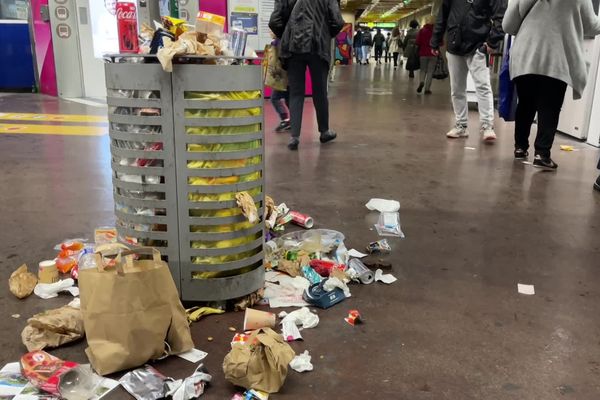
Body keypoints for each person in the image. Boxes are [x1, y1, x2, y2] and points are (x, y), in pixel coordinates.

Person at [503, 0, 600, 170]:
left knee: (525, 103)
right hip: (558, 57)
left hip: (527, 54)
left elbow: (508, 26)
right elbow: (592, 26)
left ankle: (520, 147)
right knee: (550, 107)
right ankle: (542, 154)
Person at [269, 0, 344, 151]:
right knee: (320, 92)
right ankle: (324, 132)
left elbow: (274, 21)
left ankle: (294, 137)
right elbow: (337, 21)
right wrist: (324, 32)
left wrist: (288, 34)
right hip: (318, 47)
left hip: (293, 48)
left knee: (296, 93)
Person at [431, 0, 506, 142]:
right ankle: (461, 125)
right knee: (457, 88)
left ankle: (487, 126)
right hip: (454, 46)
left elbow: (500, 16)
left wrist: (492, 42)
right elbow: (443, 15)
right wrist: (435, 39)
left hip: (478, 47)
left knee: (483, 87)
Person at [415, 16, 437, 94]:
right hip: (433, 53)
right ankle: (427, 89)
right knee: (430, 72)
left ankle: (421, 82)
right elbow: (441, 43)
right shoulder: (436, 31)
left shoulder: (421, 31)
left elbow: (417, 42)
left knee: (423, 70)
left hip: (423, 53)